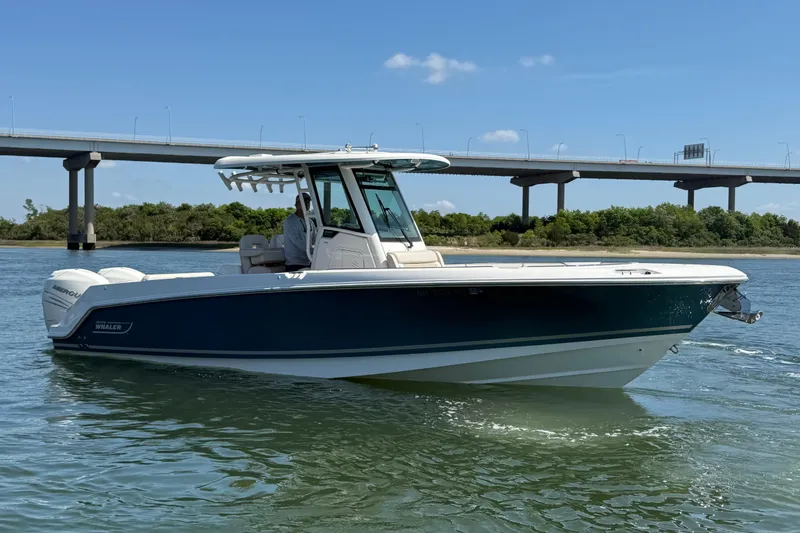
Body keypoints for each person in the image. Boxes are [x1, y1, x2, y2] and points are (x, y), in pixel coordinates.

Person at [283, 192, 312, 271]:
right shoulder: (290, 221)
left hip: (308, 261)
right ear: (297, 204)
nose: (306, 204)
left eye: (308, 201)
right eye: (304, 201)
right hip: (294, 264)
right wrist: (314, 251)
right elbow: (298, 243)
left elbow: (315, 238)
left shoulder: (310, 221)